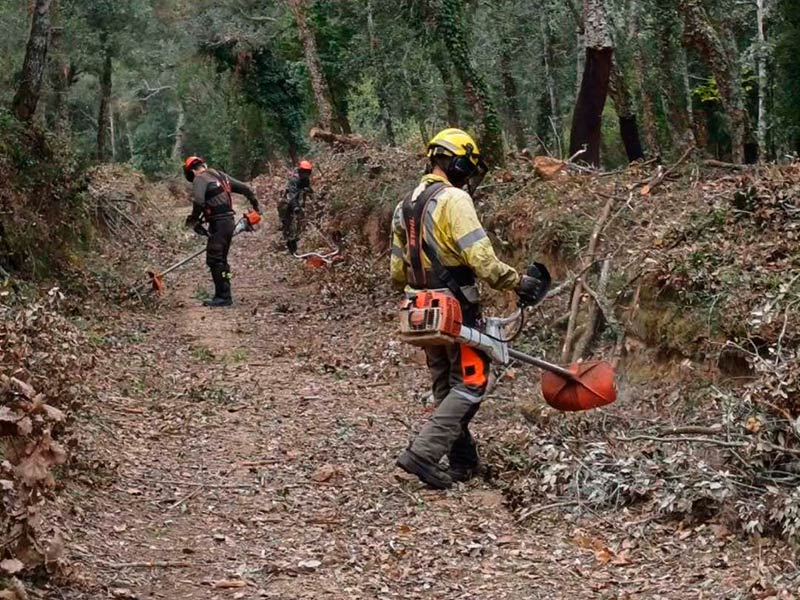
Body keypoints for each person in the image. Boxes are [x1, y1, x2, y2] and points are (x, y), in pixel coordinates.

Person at [390, 128, 548, 489]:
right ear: (458, 163)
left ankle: (462, 461)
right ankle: (423, 453)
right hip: (455, 309)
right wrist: (518, 282)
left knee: (446, 385)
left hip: (419, 309)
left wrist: (422, 288)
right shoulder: (454, 200)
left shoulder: (404, 206)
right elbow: (482, 261)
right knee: (472, 381)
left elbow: (397, 271)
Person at [183, 156, 261, 307]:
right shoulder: (220, 175)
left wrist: (194, 219)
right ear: (204, 165)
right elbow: (245, 188)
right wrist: (255, 205)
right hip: (228, 222)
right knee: (222, 260)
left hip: (219, 223)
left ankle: (223, 296)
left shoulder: (200, 178)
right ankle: (225, 292)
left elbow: (199, 201)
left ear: (191, 172)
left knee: (215, 260)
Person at [278, 160, 313, 254]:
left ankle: (295, 241)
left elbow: (308, 190)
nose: (305, 174)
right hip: (286, 203)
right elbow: (292, 195)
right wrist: (295, 207)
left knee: (299, 223)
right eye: (304, 172)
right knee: (287, 222)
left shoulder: (306, 180)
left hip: (296, 202)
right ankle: (287, 243)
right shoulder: (294, 180)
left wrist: (309, 192)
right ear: (300, 171)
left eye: (307, 172)